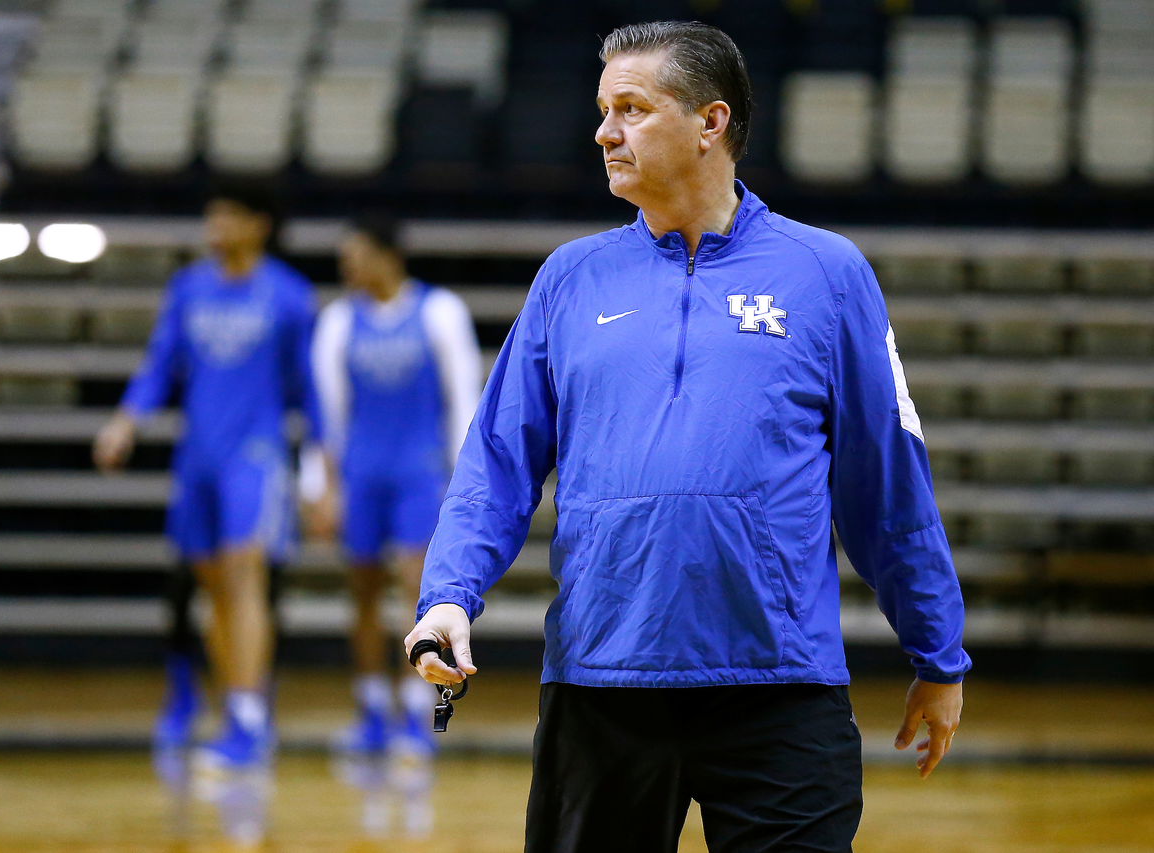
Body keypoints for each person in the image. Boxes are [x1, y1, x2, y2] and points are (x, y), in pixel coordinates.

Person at [404, 21, 970, 853]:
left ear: (711, 122)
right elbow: (496, 463)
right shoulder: (570, 277)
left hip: (781, 685)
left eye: (631, 108)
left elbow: (885, 480)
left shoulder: (827, 274)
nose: (604, 132)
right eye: (603, 109)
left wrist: (937, 652)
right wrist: (448, 596)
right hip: (603, 681)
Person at [93, 185, 325, 774]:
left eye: (226, 213)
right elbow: (158, 364)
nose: (213, 222)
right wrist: (125, 420)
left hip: (255, 455)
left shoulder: (290, 296)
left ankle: (248, 715)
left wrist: (321, 471)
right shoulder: (188, 288)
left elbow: (312, 390)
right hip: (197, 454)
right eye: (211, 211)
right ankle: (236, 708)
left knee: (246, 576)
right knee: (213, 588)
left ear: (258, 223)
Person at [309, 213, 480, 835]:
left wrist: (463, 485)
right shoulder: (335, 322)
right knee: (360, 594)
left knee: (417, 592)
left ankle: (418, 712)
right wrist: (319, 488)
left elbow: (465, 400)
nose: (348, 268)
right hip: (360, 474)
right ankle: (370, 710)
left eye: (356, 256)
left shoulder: (439, 313)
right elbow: (327, 412)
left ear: (387, 257)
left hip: (418, 473)